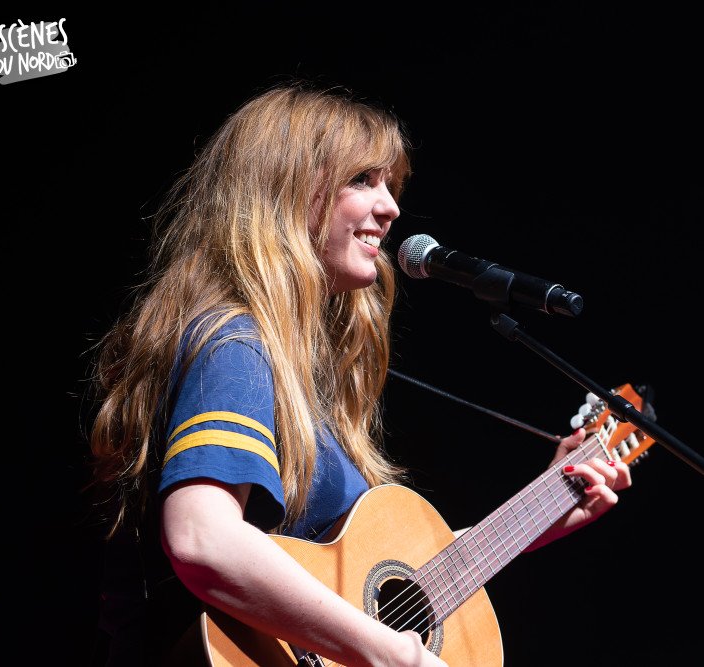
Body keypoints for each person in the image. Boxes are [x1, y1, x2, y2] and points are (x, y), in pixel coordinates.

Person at [87, 80, 631, 667]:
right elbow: (203, 539)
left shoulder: (296, 376)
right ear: (285, 191)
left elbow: (360, 593)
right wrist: (396, 656)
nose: (392, 207)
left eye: (390, 185)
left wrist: (536, 516)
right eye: (362, 179)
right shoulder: (235, 342)